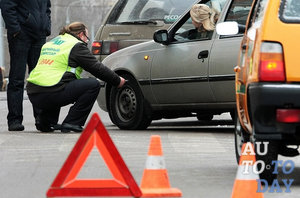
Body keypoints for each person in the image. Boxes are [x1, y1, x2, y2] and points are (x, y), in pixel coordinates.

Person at [26, 22, 126, 133]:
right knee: (92, 85)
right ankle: (72, 122)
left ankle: (45, 122)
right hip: (52, 91)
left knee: (57, 81)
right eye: (87, 38)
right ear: (81, 34)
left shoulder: (52, 42)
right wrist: (117, 80)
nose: (87, 41)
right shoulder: (76, 45)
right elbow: (96, 68)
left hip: (34, 92)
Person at [0, 0, 51, 131]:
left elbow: (47, 8)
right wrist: (15, 29)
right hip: (20, 35)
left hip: (39, 35)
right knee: (17, 79)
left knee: (39, 79)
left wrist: (47, 27)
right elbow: (6, 5)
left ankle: (41, 119)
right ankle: (14, 120)